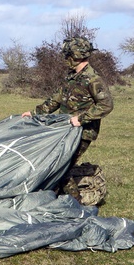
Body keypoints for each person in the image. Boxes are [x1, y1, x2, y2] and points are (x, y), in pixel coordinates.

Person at [22, 36, 114, 179]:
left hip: (82, 132)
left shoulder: (93, 79)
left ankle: (74, 200)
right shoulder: (71, 77)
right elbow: (55, 99)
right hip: (64, 128)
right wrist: (34, 113)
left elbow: (106, 105)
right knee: (55, 166)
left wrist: (82, 119)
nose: (66, 58)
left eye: (68, 55)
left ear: (77, 56)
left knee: (62, 170)